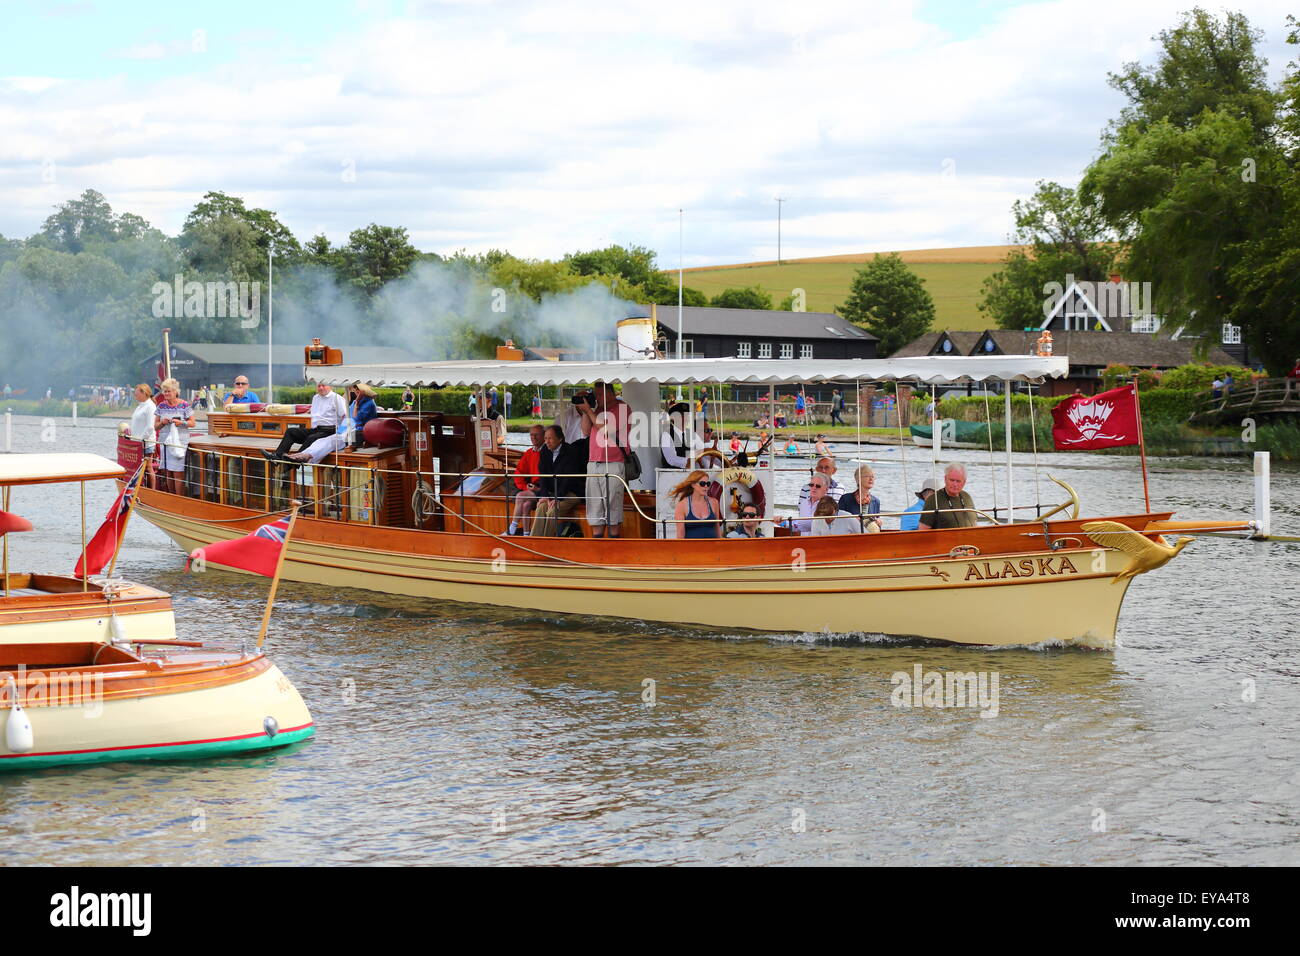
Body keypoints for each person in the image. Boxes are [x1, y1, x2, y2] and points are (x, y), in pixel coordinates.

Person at [580, 381, 629, 539]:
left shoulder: (623, 408)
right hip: (594, 463)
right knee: (595, 507)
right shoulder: (597, 410)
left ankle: (614, 544)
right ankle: (598, 542)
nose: (597, 397)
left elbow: (607, 430)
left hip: (613, 463)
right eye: (595, 394)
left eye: (599, 394)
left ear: (611, 394)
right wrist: (586, 410)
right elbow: (585, 430)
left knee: (612, 508)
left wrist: (589, 410)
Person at [286, 384, 379, 463]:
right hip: (346, 429)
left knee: (331, 442)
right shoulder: (356, 402)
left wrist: (357, 404)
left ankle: (309, 456)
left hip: (358, 433)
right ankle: (303, 454)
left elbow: (355, 419)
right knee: (320, 441)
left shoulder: (367, 403)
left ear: (364, 391)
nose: (356, 392)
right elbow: (348, 416)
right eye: (356, 390)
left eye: (359, 390)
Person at [265, 381, 346, 461]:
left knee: (312, 438)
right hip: (317, 429)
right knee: (291, 431)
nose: (321, 388)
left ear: (330, 386)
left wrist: (340, 434)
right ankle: (278, 456)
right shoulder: (315, 398)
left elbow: (345, 417)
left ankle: (294, 459)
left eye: (323, 385)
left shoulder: (337, 398)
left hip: (330, 431)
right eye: (319, 386)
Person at [531, 426, 586, 537]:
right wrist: (545, 496)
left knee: (552, 511)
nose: (546, 441)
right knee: (541, 506)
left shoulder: (571, 452)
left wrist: (557, 497)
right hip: (555, 492)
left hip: (573, 492)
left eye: (550, 438)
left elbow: (568, 478)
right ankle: (534, 540)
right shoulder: (545, 450)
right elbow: (543, 475)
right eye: (545, 438)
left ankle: (547, 543)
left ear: (560, 439)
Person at [153, 378, 195, 494]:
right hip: (165, 442)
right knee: (168, 471)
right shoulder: (161, 406)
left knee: (177, 472)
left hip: (180, 442)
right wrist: (162, 423)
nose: (166, 394)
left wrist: (181, 423)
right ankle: (171, 496)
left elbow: (192, 423)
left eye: (168, 391)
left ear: (175, 391)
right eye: (164, 391)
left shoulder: (184, 405)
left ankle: (179, 498)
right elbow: (155, 427)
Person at [508, 424, 545, 535]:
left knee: (519, 496)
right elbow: (518, 472)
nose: (533, 437)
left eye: (536, 435)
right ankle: (527, 534)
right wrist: (525, 487)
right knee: (526, 505)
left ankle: (511, 529)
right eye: (531, 435)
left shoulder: (547, 452)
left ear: (544, 436)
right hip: (533, 488)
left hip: (544, 490)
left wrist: (538, 488)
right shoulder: (529, 453)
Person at [918, 463, 977, 530]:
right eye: (952, 480)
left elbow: (974, 522)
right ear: (945, 479)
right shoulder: (933, 500)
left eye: (958, 481)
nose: (955, 484)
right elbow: (923, 530)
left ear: (964, 482)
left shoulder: (967, 497)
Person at [671, 470, 720, 539]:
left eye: (708, 484)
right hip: (691, 548)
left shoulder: (714, 502)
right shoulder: (682, 505)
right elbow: (680, 534)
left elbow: (717, 529)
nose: (706, 486)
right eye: (702, 483)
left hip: (713, 547)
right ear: (693, 485)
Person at [796, 457, 845, 523]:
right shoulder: (806, 488)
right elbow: (801, 510)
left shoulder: (840, 488)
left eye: (826, 467)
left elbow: (841, 510)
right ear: (816, 469)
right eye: (820, 467)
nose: (823, 470)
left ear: (834, 470)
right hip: (811, 523)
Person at [660, 402, 706, 469]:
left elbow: (702, 450)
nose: (685, 418)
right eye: (681, 415)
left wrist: (711, 454)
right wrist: (689, 461)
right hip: (672, 475)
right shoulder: (667, 435)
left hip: (692, 473)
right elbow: (671, 459)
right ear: (673, 417)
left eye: (687, 415)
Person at [838, 464, 882, 532]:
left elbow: (877, 527)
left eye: (873, 476)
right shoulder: (845, 499)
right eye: (867, 476)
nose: (871, 479)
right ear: (858, 479)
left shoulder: (876, 501)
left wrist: (878, 522)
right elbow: (839, 522)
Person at [555, 389, 590, 461]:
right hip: (569, 453)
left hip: (588, 453)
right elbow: (555, 436)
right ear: (575, 401)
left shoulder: (594, 414)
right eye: (580, 399)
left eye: (586, 399)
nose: (583, 402)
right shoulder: (564, 416)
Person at [129, 383, 157, 455]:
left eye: (137, 395)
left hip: (146, 445)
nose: (135, 397)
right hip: (137, 443)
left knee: (147, 466)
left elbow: (150, 427)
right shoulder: (140, 406)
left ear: (144, 393)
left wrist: (141, 440)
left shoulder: (150, 406)